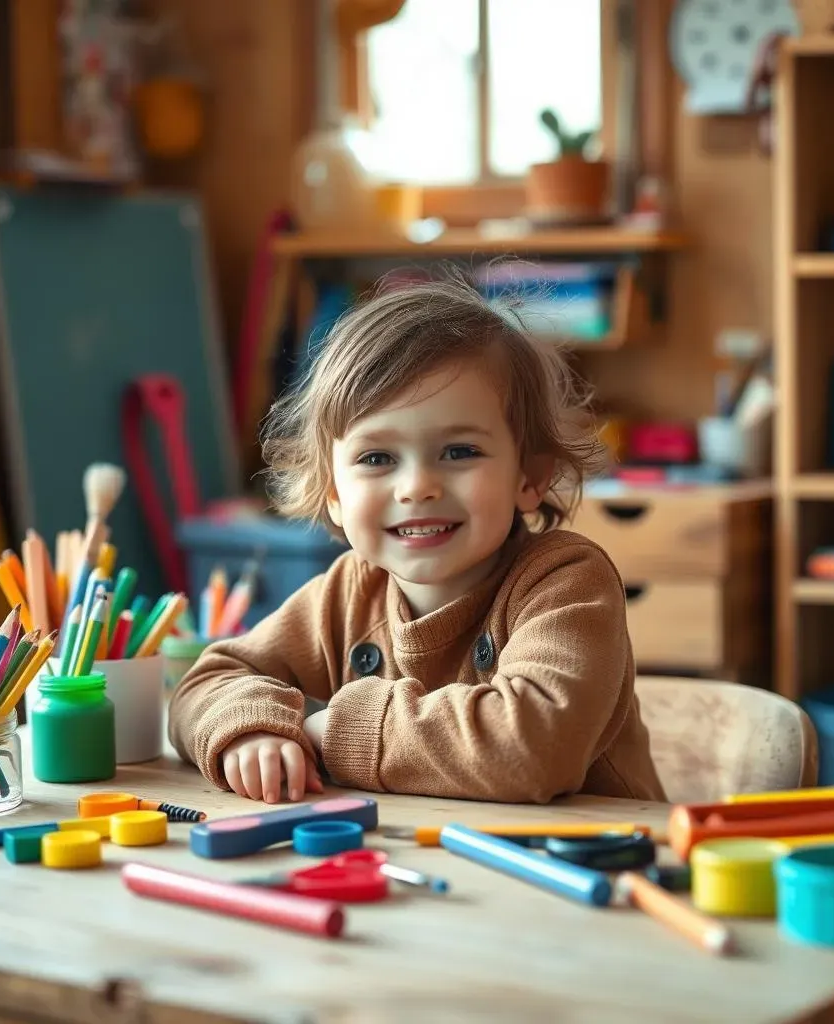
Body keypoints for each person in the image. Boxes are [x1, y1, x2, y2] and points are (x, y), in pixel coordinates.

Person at [168, 272, 665, 805]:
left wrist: (328, 729)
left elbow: (531, 750)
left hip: (591, 870)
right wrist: (251, 727)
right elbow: (201, 686)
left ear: (530, 477)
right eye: (377, 458)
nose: (418, 487)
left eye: (459, 452)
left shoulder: (565, 582)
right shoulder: (345, 593)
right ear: (334, 492)